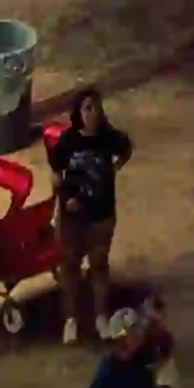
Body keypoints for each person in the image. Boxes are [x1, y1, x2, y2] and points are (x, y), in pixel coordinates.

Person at [48, 91, 133, 341]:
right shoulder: (68, 141)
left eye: (96, 107)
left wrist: (114, 169)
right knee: (70, 267)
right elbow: (55, 174)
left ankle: (100, 317)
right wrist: (65, 199)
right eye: (87, 108)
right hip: (73, 218)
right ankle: (71, 320)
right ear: (78, 113)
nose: (93, 113)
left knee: (99, 265)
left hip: (102, 214)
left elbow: (126, 149)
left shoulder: (110, 138)